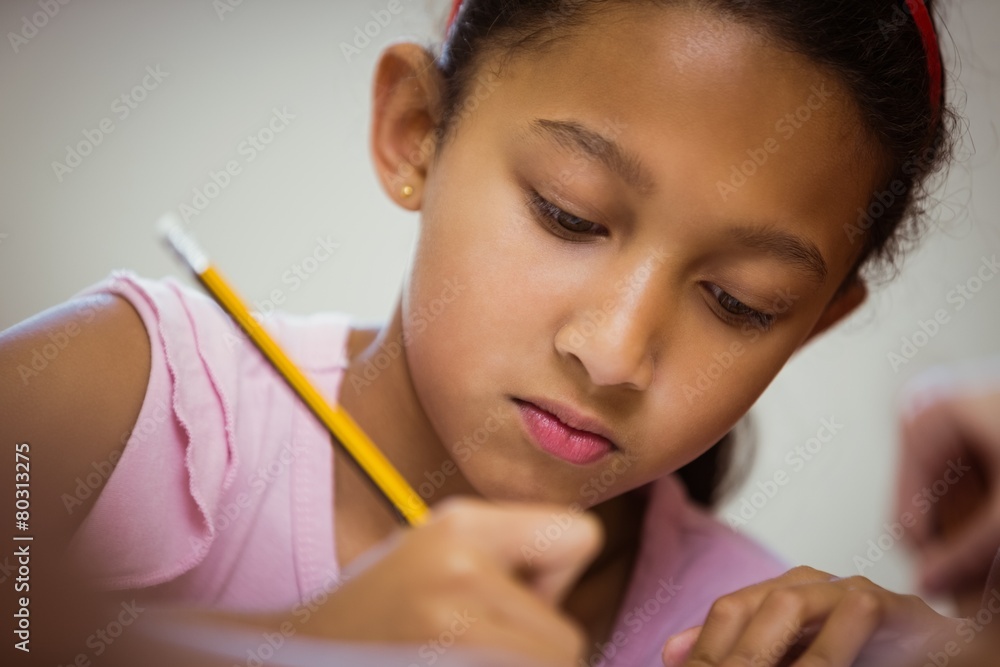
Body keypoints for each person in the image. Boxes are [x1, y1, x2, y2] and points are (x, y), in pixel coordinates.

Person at [0, 0, 966, 665]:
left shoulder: (757, 633)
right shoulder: (130, 398)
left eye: (740, 302)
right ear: (415, 129)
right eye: (568, 214)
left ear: (810, 324)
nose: (614, 351)